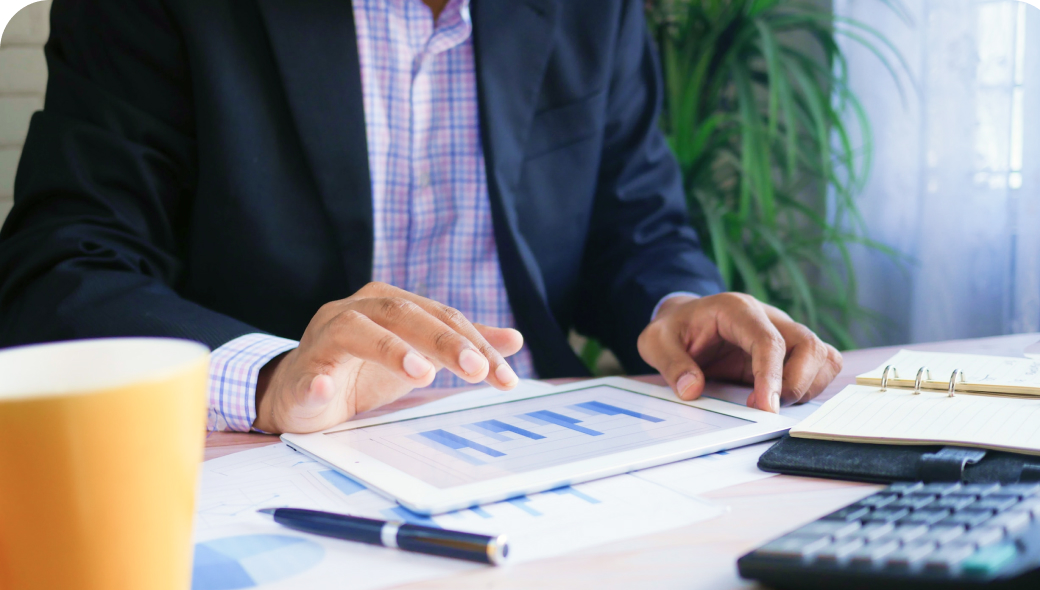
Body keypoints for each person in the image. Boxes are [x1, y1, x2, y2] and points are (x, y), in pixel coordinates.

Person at [0, 0, 841, 434]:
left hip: (541, 448)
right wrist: (273, 378)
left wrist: (679, 307)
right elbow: (61, 272)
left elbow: (635, 225)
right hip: (273, 465)